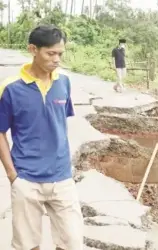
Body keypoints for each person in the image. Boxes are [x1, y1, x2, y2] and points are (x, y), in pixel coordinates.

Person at [0, 25, 83, 250]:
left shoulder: (63, 83)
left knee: (72, 242)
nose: (57, 59)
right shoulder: (10, 89)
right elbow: (0, 133)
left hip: (62, 178)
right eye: (51, 53)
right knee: (28, 245)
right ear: (33, 49)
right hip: (26, 178)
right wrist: (12, 174)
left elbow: (58, 123)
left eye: (60, 54)